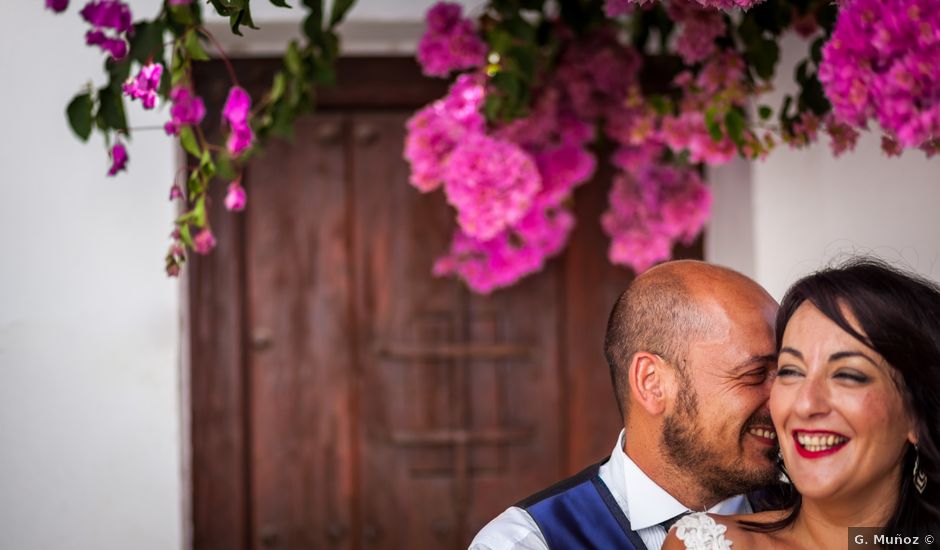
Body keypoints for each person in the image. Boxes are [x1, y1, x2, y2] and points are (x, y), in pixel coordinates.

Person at [470, 260, 781, 550]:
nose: (784, 399)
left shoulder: (815, 522)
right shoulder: (525, 542)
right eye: (755, 375)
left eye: (789, 374)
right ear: (652, 382)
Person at [664, 258, 940, 550]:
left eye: (847, 375)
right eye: (791, 371)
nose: (806, 404)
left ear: (916, 415)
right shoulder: (705, 544)